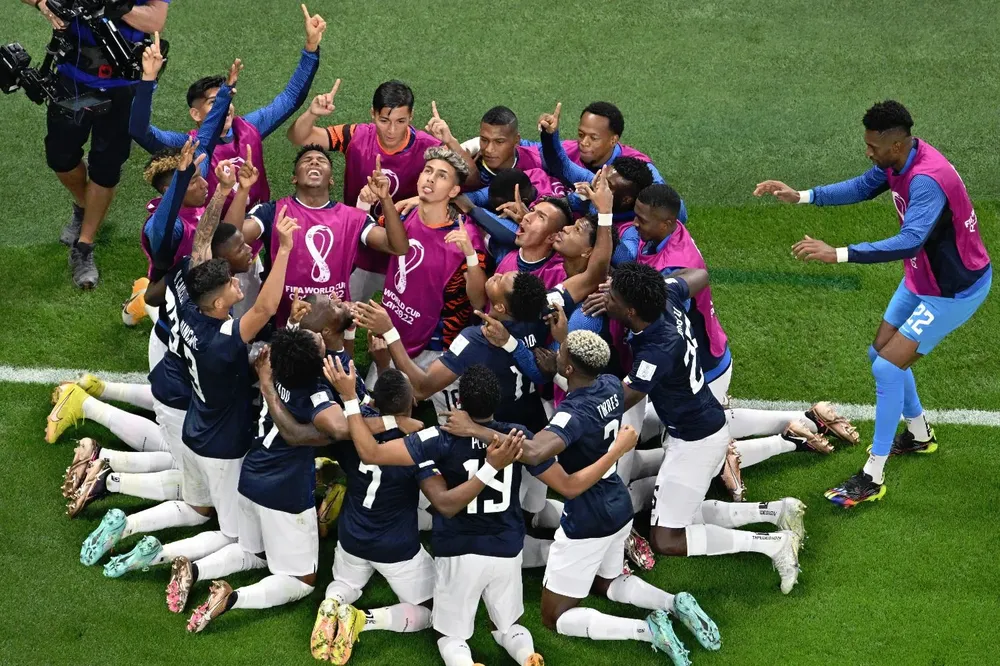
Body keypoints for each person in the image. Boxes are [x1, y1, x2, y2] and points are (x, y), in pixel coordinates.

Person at [754, 100, 991, 507]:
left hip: (953, 290)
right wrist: (802, 196)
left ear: (896, 145)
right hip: (922, 278)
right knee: (880, 353)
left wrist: (839, 253)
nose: (868, 152)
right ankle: (918, 435)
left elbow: (910, 240)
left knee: (886, 365)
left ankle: (872, 474)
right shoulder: (902, 159)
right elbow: (864, 186)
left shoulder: (927, 180)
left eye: (873, 146)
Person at [629, 184, 857, 494]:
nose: (634, 223)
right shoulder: (666, 233)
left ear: (666, 223)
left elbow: (663, 327)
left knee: (690, 456)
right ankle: (808, 418)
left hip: (700, 368)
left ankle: (784, 441)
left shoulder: (673, 263)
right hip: (710, 354)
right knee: (704, 423)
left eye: (642, 219)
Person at [605, 263, 805, 596]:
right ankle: (776, 511)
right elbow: (698, 275)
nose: (605, 299)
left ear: (632, 310)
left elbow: (628, 396)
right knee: (688, 514)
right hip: (700, 427)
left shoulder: (657, 348)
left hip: (695, 444)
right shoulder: (663, 296)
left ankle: (774, 543)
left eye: (611, 296)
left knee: (667, 538)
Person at [184, 329, 342, 632]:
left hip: (251, 476)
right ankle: (234, 598)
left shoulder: (276, 367)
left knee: (253, 553)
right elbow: (332, 429)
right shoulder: (315, 392)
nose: (320, 335)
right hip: (285, 494)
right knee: (302, 581)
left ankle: (195, 568)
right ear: (315, 364)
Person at [22, 0, 170, 287]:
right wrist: (42, 3)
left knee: (106, 167)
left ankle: (85, 245)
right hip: (71, 77)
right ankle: (83, 204)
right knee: (60, 157)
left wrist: (113, 6)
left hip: (123, 84)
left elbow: (155, 20)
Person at [287, 81, 474, 302]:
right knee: (340, 314)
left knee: (400, 319)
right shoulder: (355, 136)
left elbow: (470, 180)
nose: (392, 130)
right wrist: (311, 113)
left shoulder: (429, 146)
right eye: (384, 121)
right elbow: (298, 137)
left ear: (411, 117)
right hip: (358, 247)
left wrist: (450, 141)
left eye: (401, 121)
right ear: (373, 114)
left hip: (403, 252)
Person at [130, 4, 325, 212]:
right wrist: (148, 79)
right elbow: (140, 132)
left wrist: (310, 48)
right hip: (212, 235)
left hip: (255, 225)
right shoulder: (188, 146)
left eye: (227, 100)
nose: (227, 108)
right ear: (195, 113)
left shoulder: (249, 127)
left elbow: (290, 99)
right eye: (215, 102)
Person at [309, 369, 440, 664]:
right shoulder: (418, 444)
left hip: (352, 538)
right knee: (435, 609)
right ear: (410, 406)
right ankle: (362, 620)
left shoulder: (353, 430)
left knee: (346, 583)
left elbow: (342, 427)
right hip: (395, 547)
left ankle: (333, 602)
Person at [353, 271, 550, 432]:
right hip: (533, 423)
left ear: (500, 307)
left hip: (490, 435)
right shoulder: (538, 315)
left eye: (500, 281)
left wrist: (389, 331)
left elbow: (422, 388)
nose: (497, 273)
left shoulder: (474, 339)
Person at [373, 147, 487, 416]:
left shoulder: (465, 235)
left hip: (437, 347)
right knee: (380, 411)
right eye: (427, 171)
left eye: (442, 176)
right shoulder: (403, 212)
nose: (430, 179)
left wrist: (470, 255)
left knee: (455, 425)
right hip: (393, 332)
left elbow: (479, 301)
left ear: (454, 191)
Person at [240, 145, 408, 325]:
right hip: (281, 325)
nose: (314, 161)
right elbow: (231, 238)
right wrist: (242, 190)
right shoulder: (272, 212)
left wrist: (385, 198)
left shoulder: (353, 218)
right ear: (294, 178)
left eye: (321, 161)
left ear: (331, 180)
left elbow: (397, 246)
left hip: (331, 329)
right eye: (307, 160)